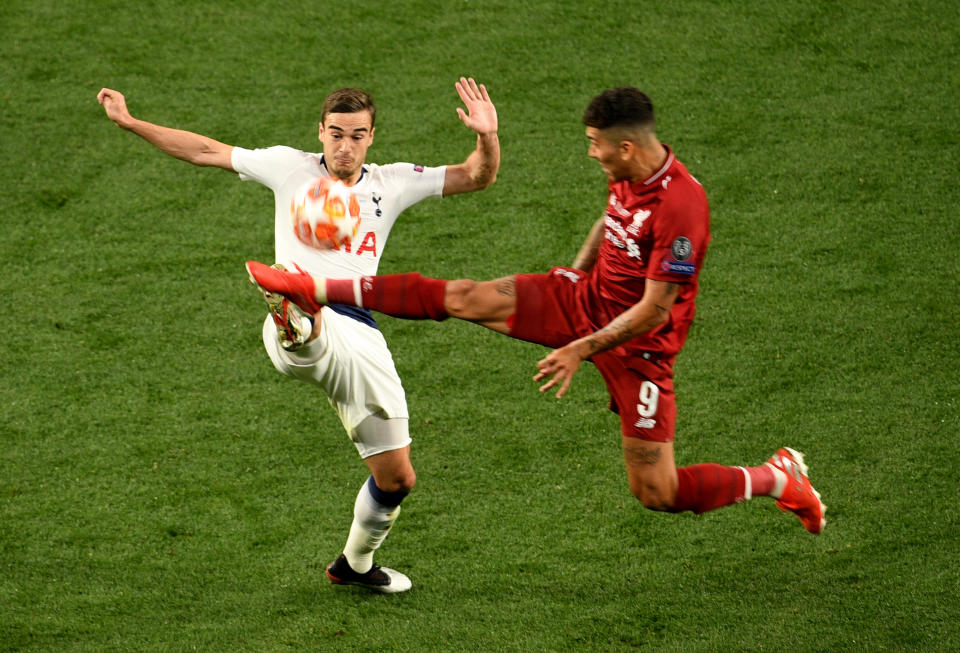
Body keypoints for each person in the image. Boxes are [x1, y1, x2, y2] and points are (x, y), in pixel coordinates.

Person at [247, 86, 826, 535]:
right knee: (465, 297)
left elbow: (654, 310)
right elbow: (614, 224)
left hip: (640, 349)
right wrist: (577, 272)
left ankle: (777, 478)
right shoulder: (629, 171)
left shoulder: (683, 208)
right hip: (583, 301)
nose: (591, 153)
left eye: (596, 144)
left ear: (625, 145)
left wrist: (580, 346)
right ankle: (314, 291)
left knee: (658, 491)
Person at [98, 77, 500, 592]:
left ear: (372, 137)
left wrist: (486, 136)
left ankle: (353, 566)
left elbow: (477, 176)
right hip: (308, 325)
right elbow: (204, 150)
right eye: (335, 134)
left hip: (361, 333)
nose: (344, 146)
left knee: (397, 479)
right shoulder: (289, 167)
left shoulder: (392, 182)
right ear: (320, 132)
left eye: (356, 135)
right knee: (311, 331)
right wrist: (132, 123)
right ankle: (294, 309)